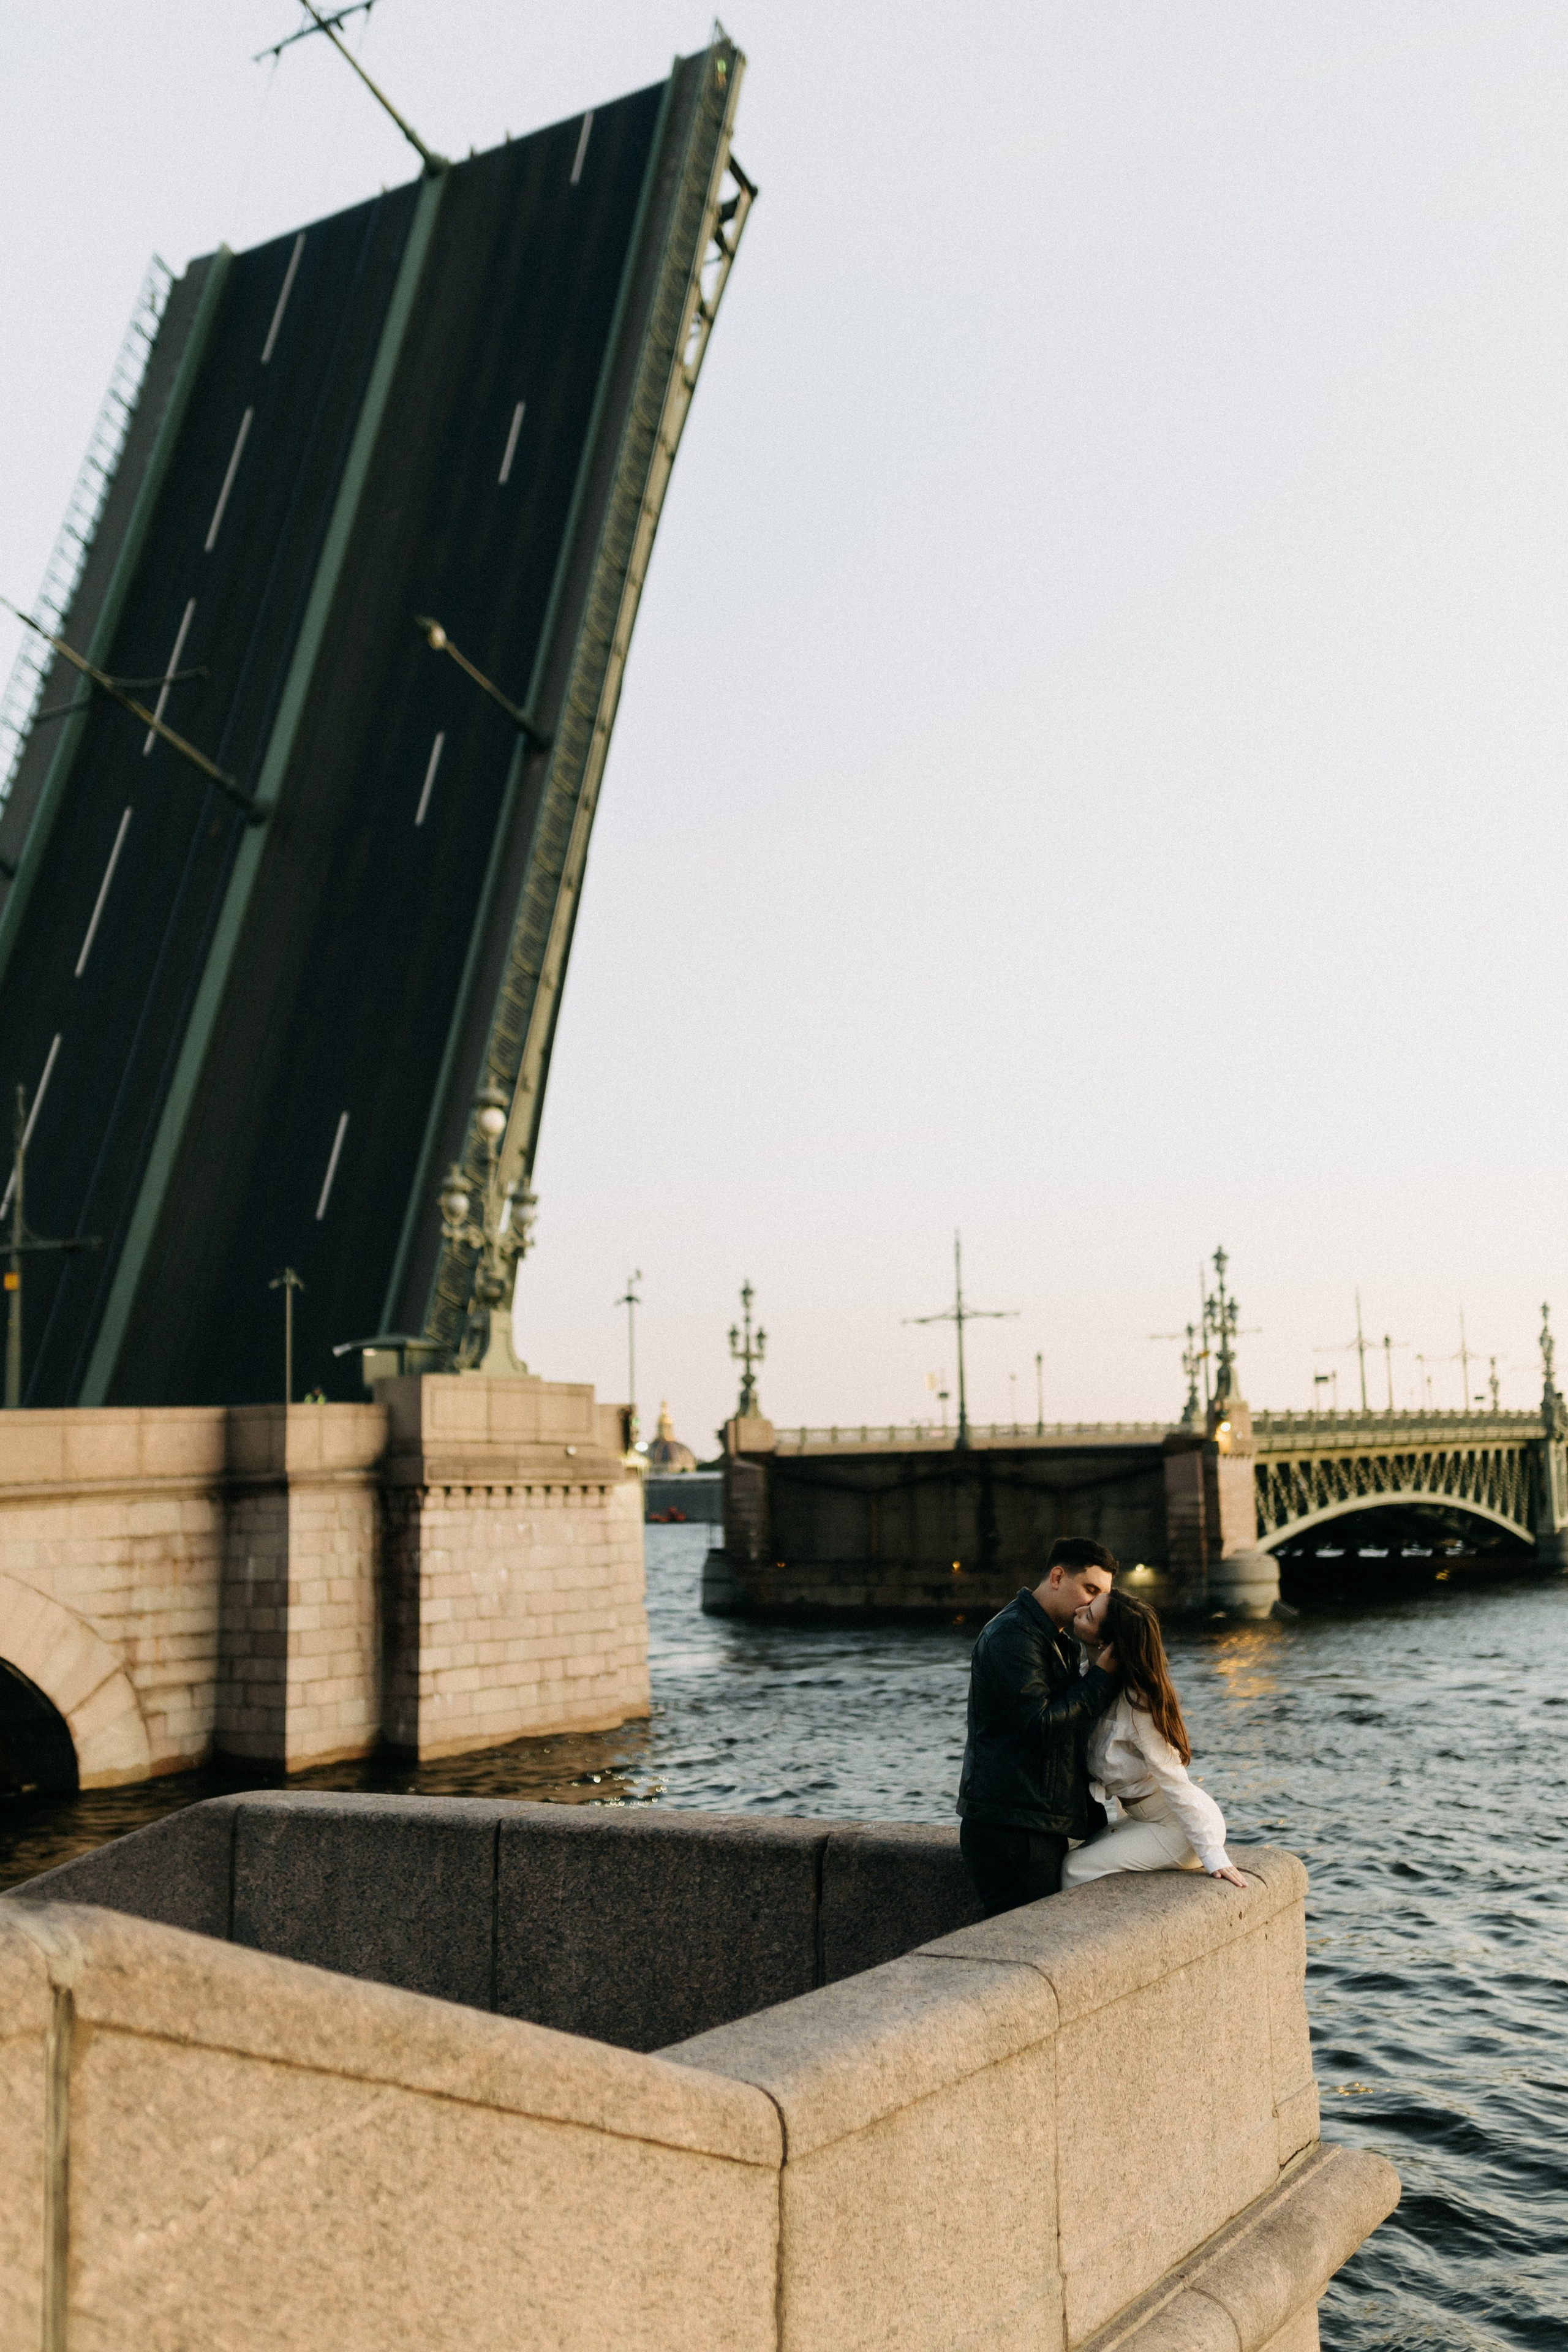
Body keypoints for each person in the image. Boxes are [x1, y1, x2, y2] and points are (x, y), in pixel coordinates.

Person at [956, 1536, 1121, 1917]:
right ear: (1058, 1577)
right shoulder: (1013, 1635)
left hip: (1029, 1820)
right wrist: (1101, 1677)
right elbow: (1041, 1725)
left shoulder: (1053, 1637)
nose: (1094, 1603)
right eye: (1090, 1588)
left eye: (1101, 1596)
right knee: (1016, 1951)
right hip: (1011, 1828)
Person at [1061, 1586, 1247, 1890]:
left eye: (1090, 1615)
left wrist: (1214, 1856)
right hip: (1141, 1819)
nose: (1079, 1610)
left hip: (1177, 1829)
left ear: (1106, 1643)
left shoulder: (1138, 1704)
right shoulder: (1085, 1680)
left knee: (1074, 1869)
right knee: (1068, 1854)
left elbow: (1175, 1781)